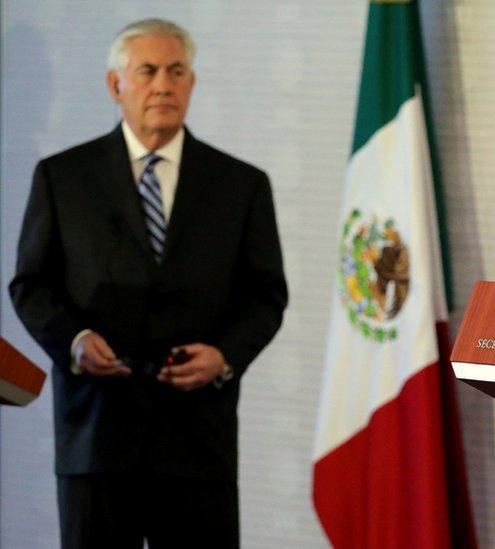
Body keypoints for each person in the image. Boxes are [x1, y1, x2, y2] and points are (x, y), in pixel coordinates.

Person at [8, 18, 287, 548]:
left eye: (176, 71)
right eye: (148, 71)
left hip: (197, 441)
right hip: (96, 435)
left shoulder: (240, 185)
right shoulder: (63, 178)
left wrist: (224, 356)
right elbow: (31, 284)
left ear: (192, 83)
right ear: (116, 85)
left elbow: (266, 295)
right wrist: (75, 341)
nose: (163, 84)